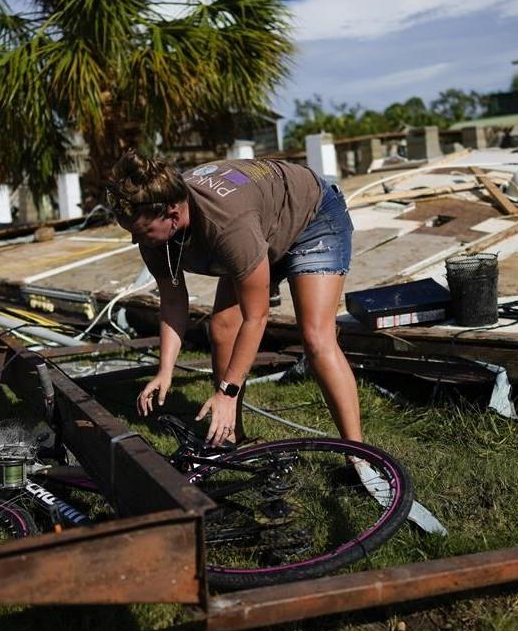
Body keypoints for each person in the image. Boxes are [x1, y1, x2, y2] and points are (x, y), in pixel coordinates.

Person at [107, 149, 362, 447]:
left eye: (143, 232)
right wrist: (165, 371)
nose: (136, 241)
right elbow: (174, 302)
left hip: (311, 217)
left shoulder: (226, 225)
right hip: (260, 226)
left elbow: (257, 317)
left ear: (174, 215)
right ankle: (229, 435)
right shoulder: (155, 231)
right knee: (222, 328)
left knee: (316, 337)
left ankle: (358, 453)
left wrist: (227, 392)